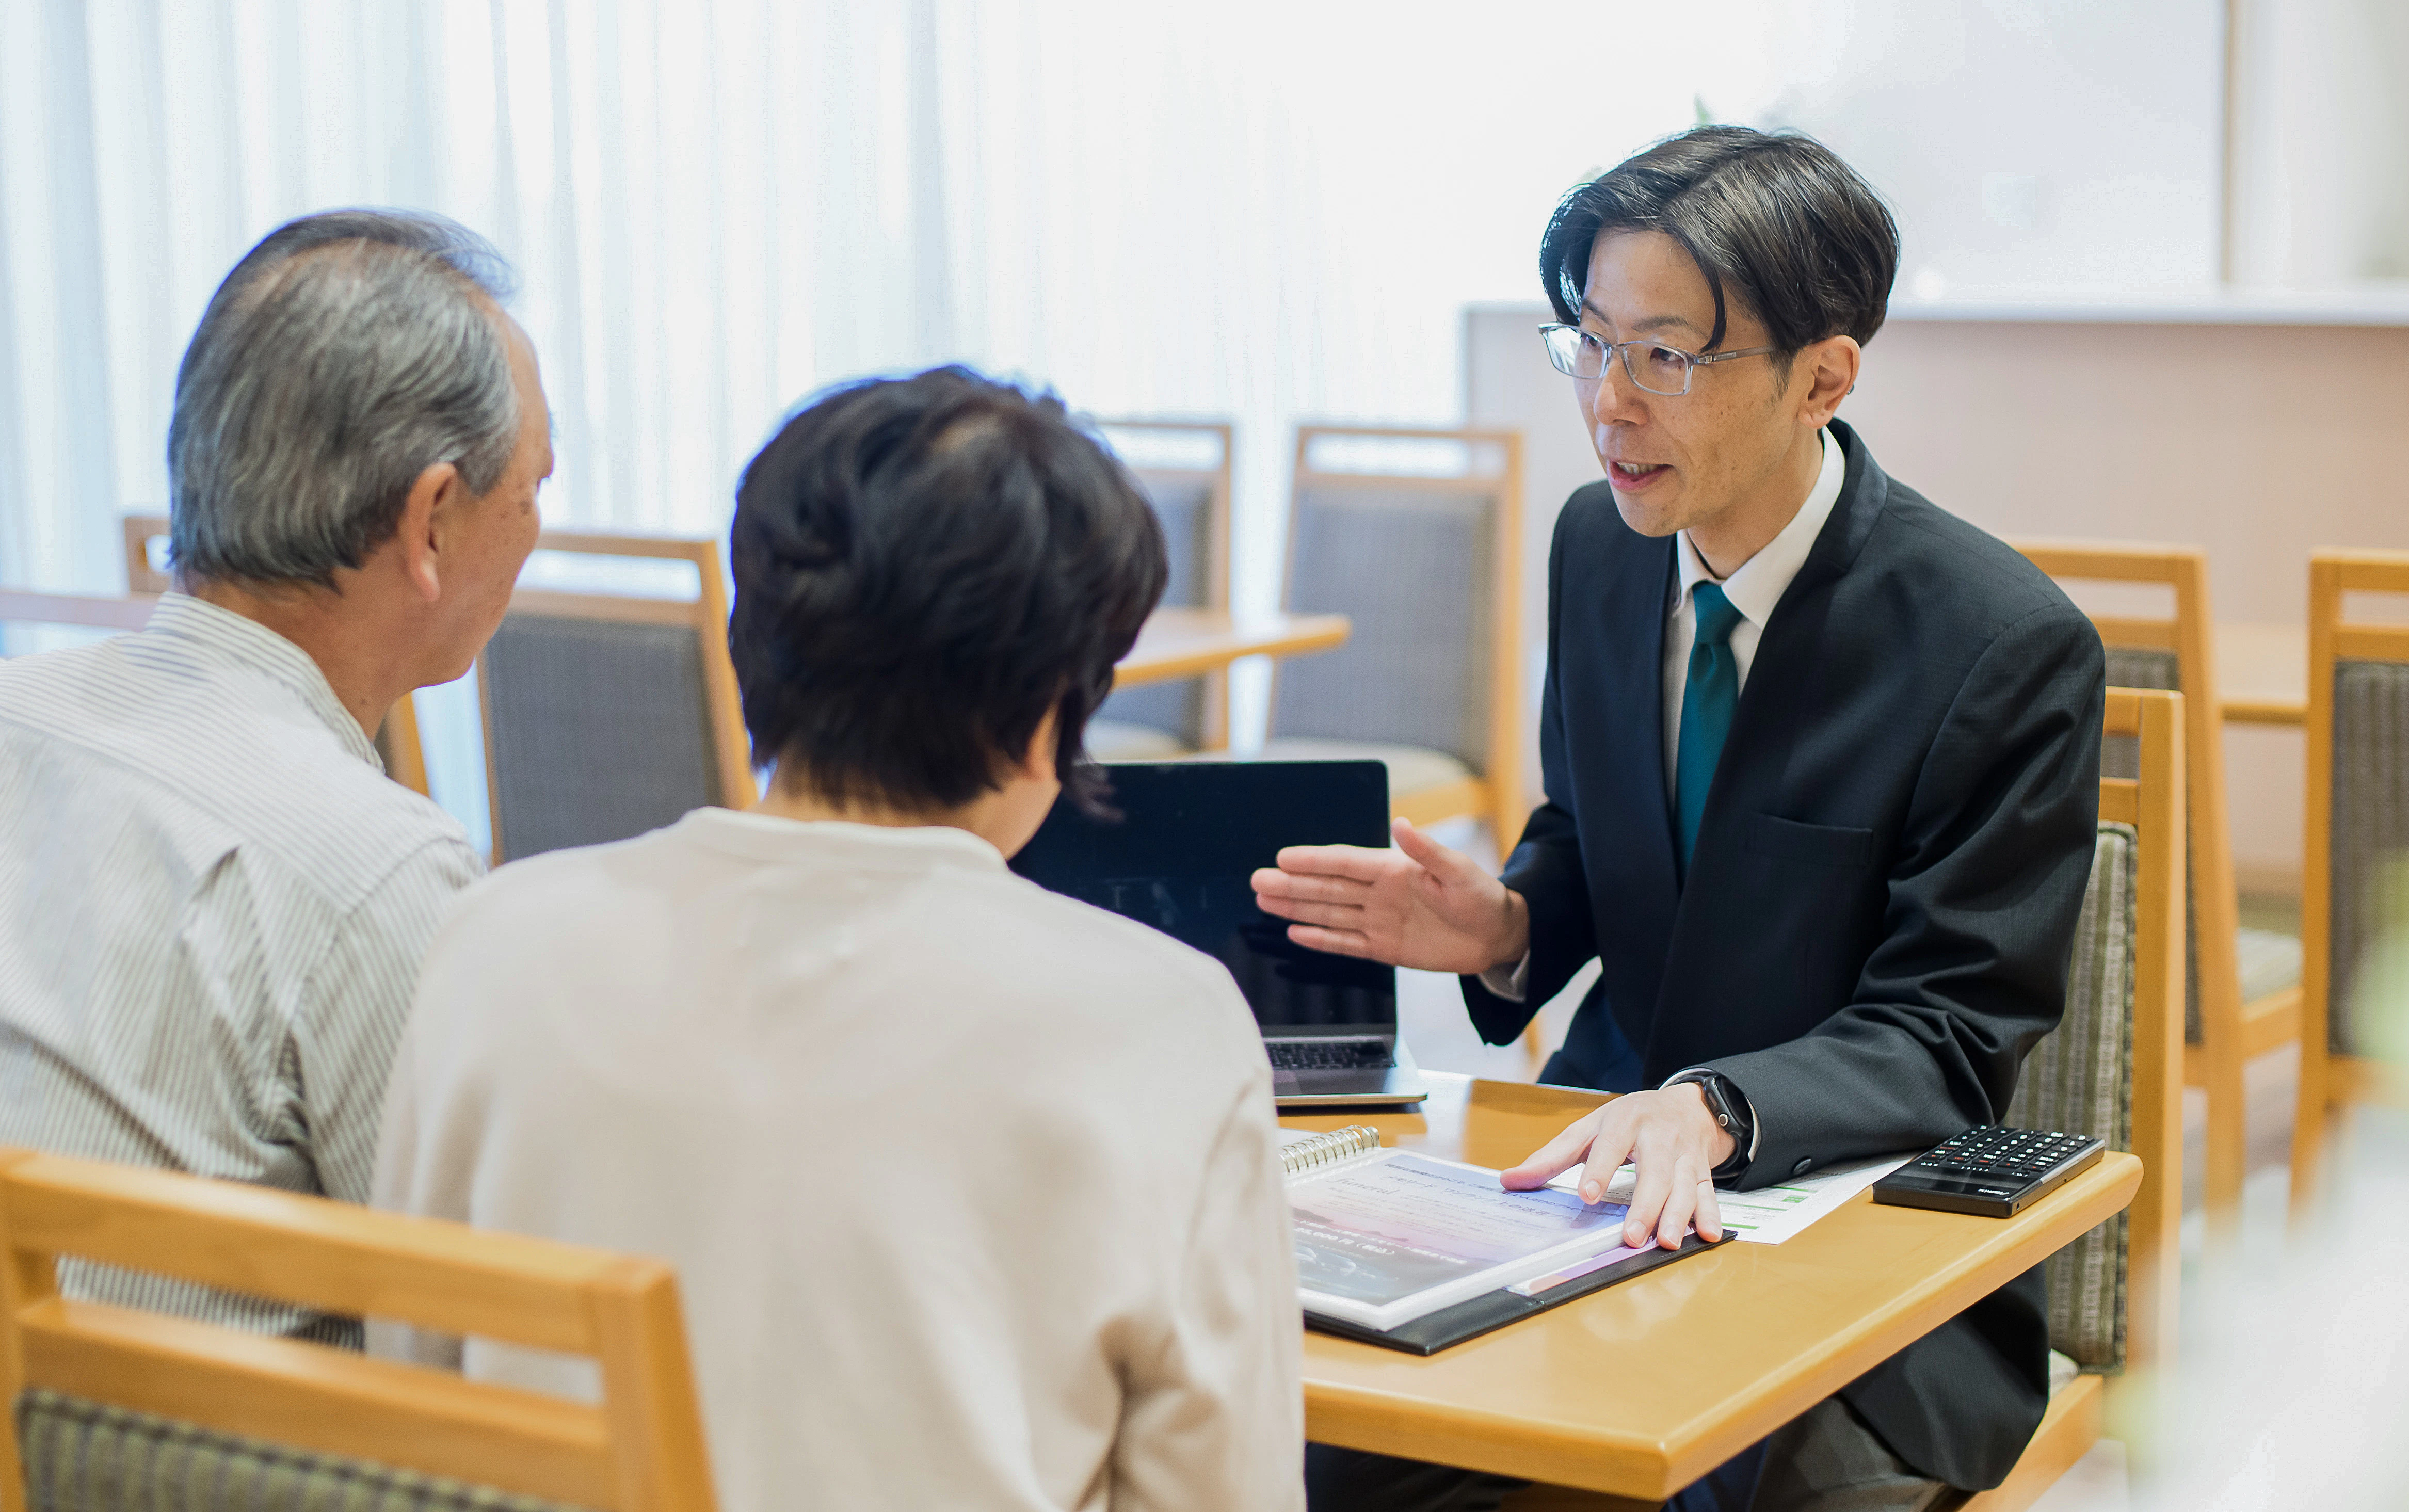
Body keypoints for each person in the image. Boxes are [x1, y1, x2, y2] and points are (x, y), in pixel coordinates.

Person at [1256, 129, 2105, 1511]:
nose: (1610, 403)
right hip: (1578, 1183)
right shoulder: (1602, 544)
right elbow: (1590, 832)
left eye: (1669, 355)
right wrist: (1510, 923)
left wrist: (1720, 1105)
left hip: (1846, 1239)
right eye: (1589, 344)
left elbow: (1951, 1031)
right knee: (1309, 1441)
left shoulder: (1997, 643)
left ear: (1822, 375)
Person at [372, 368, 1306, 1512]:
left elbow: (412, 1410)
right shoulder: (1161, 1017)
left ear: (750, 641)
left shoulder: (493, 940)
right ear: (1046, 707)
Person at [0, 211, 552, 1341]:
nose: (539, 528)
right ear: (430, 519)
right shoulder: (373, 871)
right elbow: (474, 1350)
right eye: (533, 487)